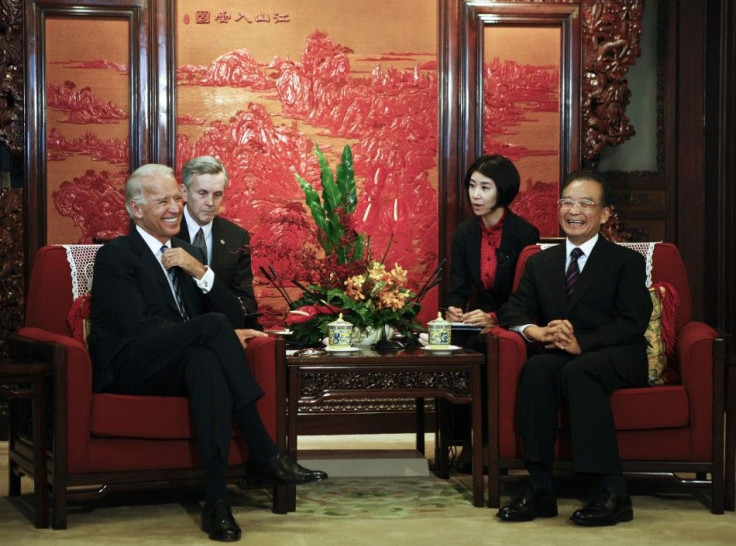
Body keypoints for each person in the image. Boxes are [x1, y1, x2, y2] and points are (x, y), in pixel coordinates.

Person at [87, 164, 327, 542]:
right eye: (162, 200)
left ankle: (216, 503)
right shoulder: (117, 255)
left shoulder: (186, 251)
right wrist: (204, 333)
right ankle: (263, 451)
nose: (174, 208)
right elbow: (137, 330)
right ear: (135, 209)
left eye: (177, 199)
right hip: (131, 366)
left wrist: (200, 270)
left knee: (207, 363)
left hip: (178, 365)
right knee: (213, 329)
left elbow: (237, 315)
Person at [495, 170, 652, 526]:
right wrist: (538, 333)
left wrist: (583, 343)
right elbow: (514, 310)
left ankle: (612, 491)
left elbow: (632, 321)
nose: (574, 210)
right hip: (561, 353)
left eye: (586, 203)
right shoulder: (540, 262)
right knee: (537, 368)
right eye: (567, 202)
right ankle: (539, 488)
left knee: (579, 372)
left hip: (616, 353)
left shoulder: (625, 262)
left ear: (606, 213)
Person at [443, 154, 539, 471]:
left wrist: (494, 318)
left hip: (509, 321)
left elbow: (524, 295)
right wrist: (453, 310)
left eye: (485, 187)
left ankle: (489, 444)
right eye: (472, 186)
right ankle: (462, 442)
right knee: (452, 347)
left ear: (503, 192)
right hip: (474, 322)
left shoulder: (526, 234)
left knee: (489, 348)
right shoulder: (463, 234)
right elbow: (456, 286)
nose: (476, 195)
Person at [177, 155, 260, 329]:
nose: (210, 202)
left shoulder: (236, 237)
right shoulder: (166, 231)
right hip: (177, 334)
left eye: (217, 194)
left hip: (223, 333)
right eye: (202, 193)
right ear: (184, 192)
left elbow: (246, 300)